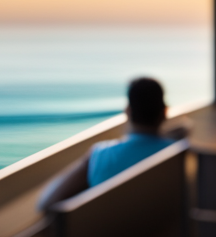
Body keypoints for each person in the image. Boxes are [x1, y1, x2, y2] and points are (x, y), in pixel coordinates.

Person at [37, 77, 177, 212]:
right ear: (165, 112)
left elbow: (46, 203)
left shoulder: (100, 154)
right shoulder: (177, 152)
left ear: (128, 111)